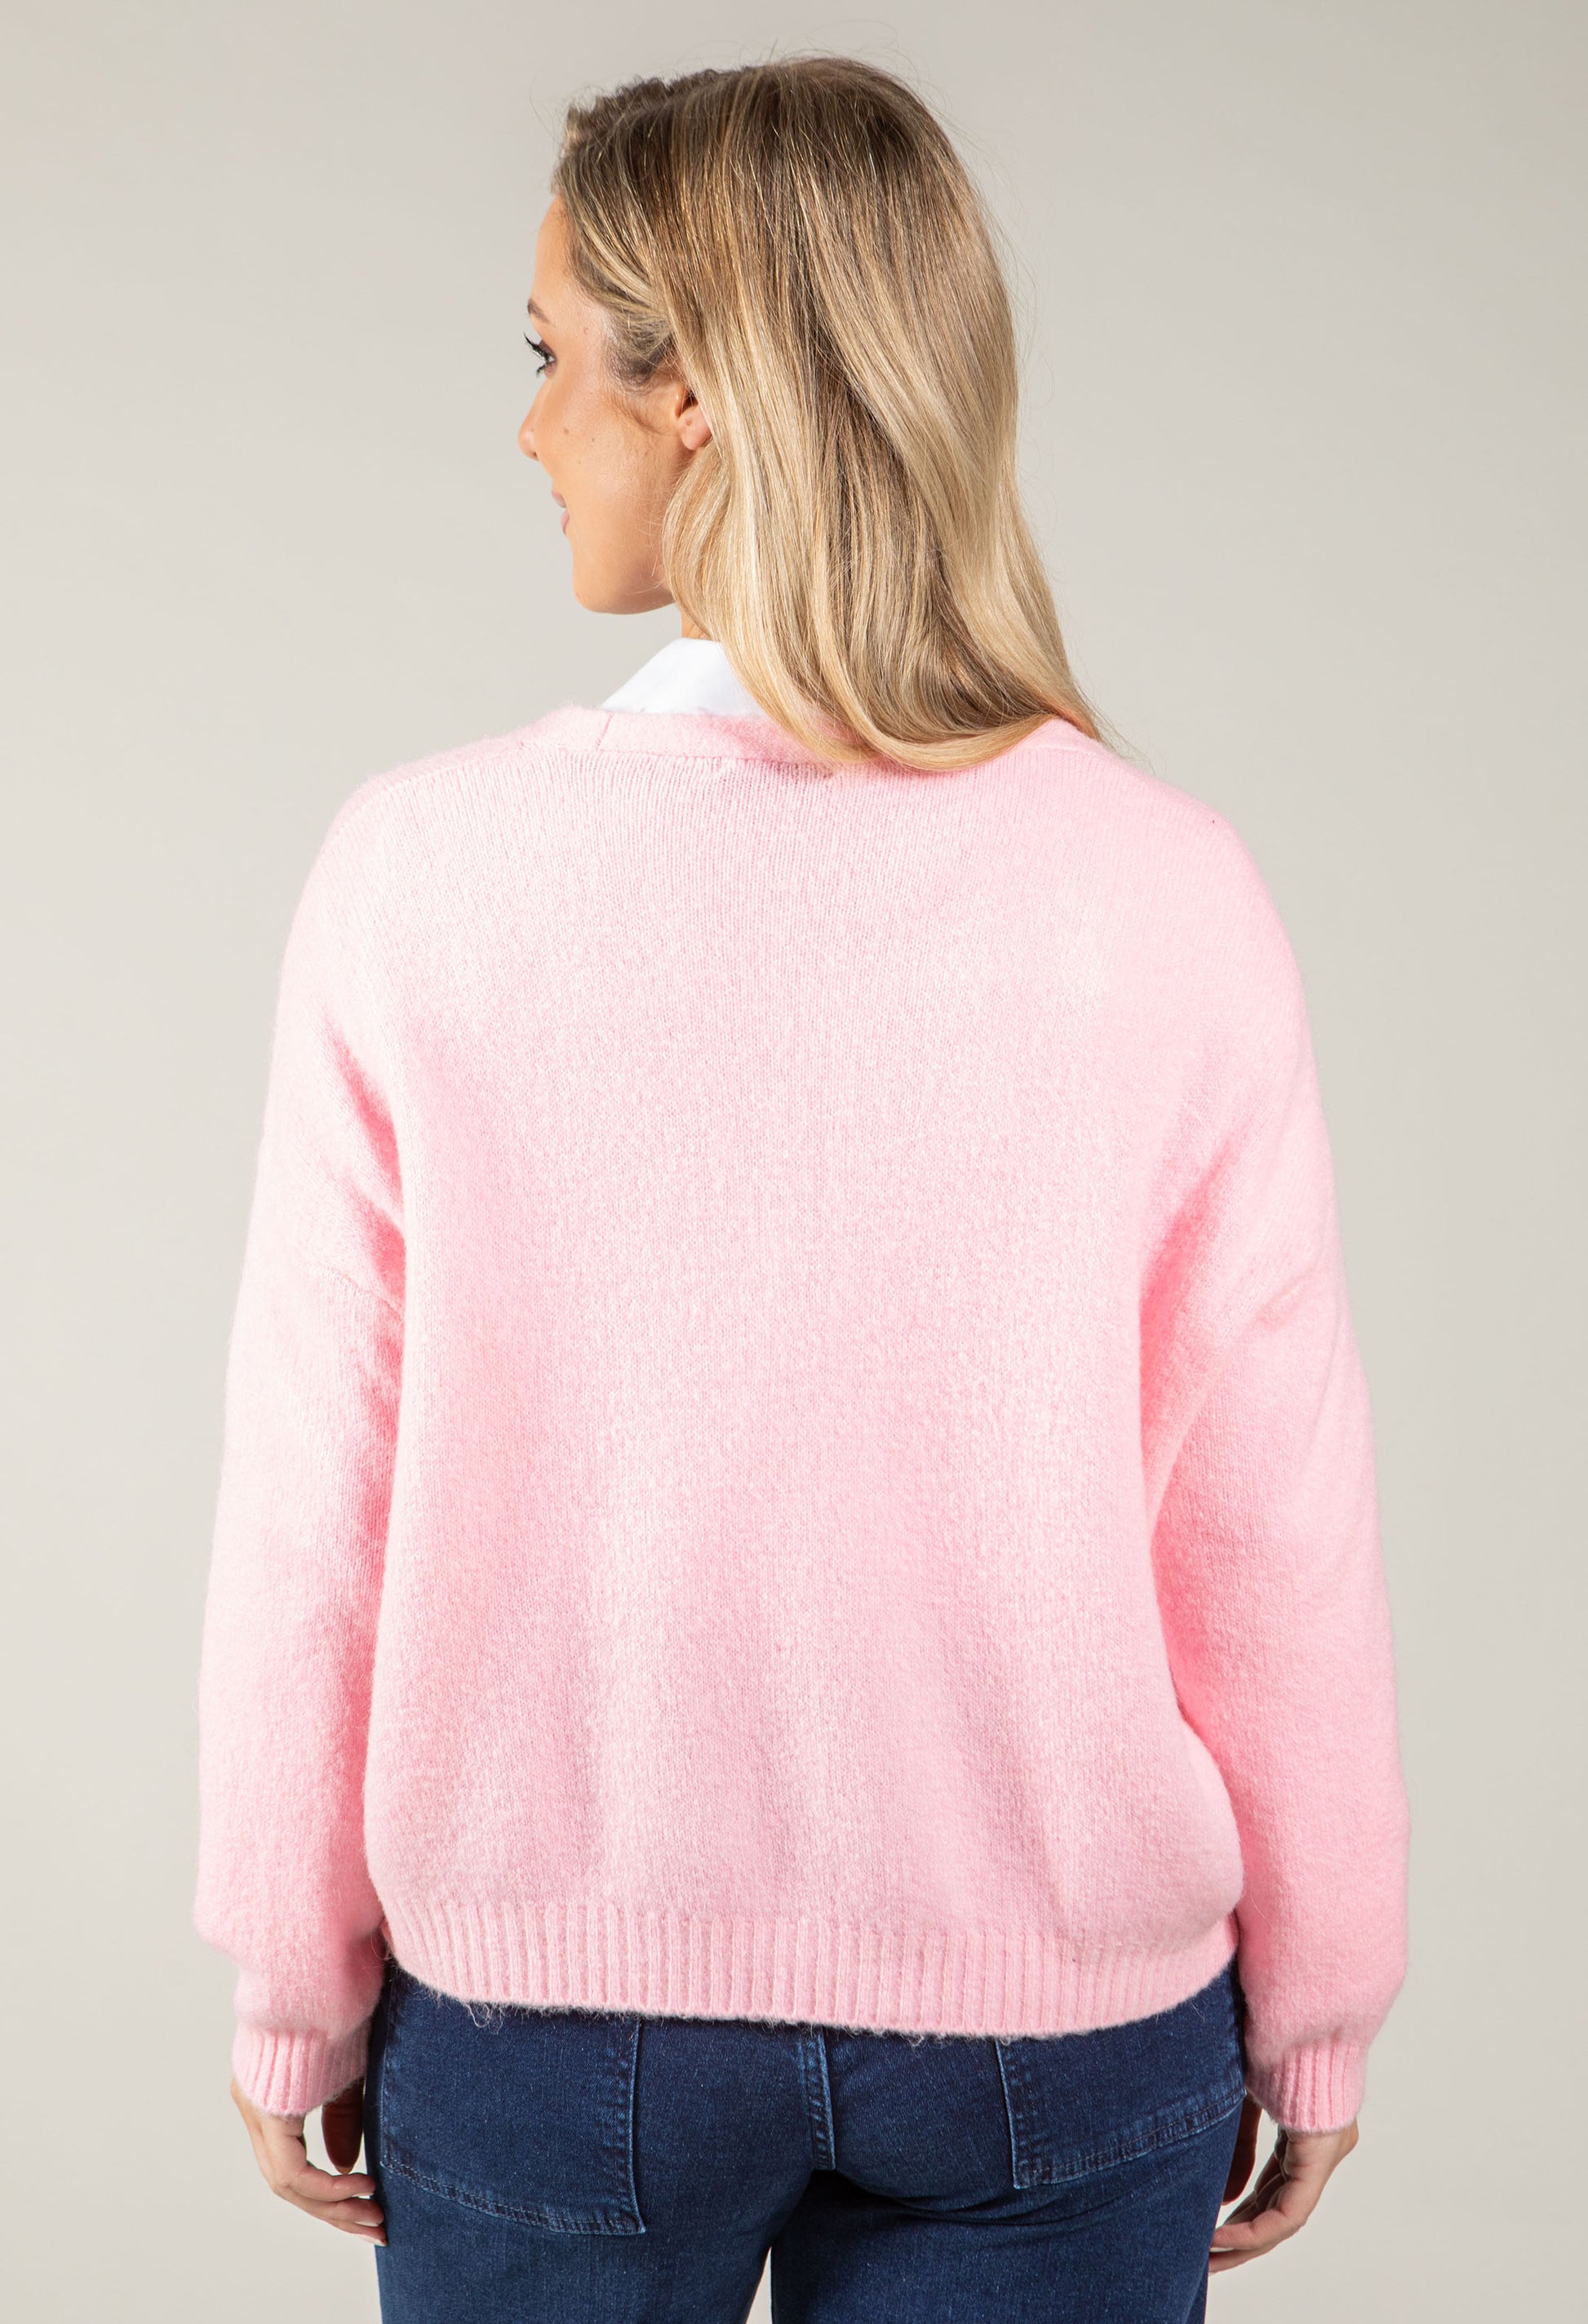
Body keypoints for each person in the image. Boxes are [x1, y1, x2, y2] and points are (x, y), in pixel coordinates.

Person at [196, 55, 1410, 2324]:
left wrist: (290, 1974)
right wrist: (1322, 1994)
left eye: (554, 355)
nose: (530, 425)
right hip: (1062, 2028)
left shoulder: (419, 878)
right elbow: (1273, 1515)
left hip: (551, 2021)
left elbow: (315, 1494)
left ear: (698, 400)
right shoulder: (1164, 890)